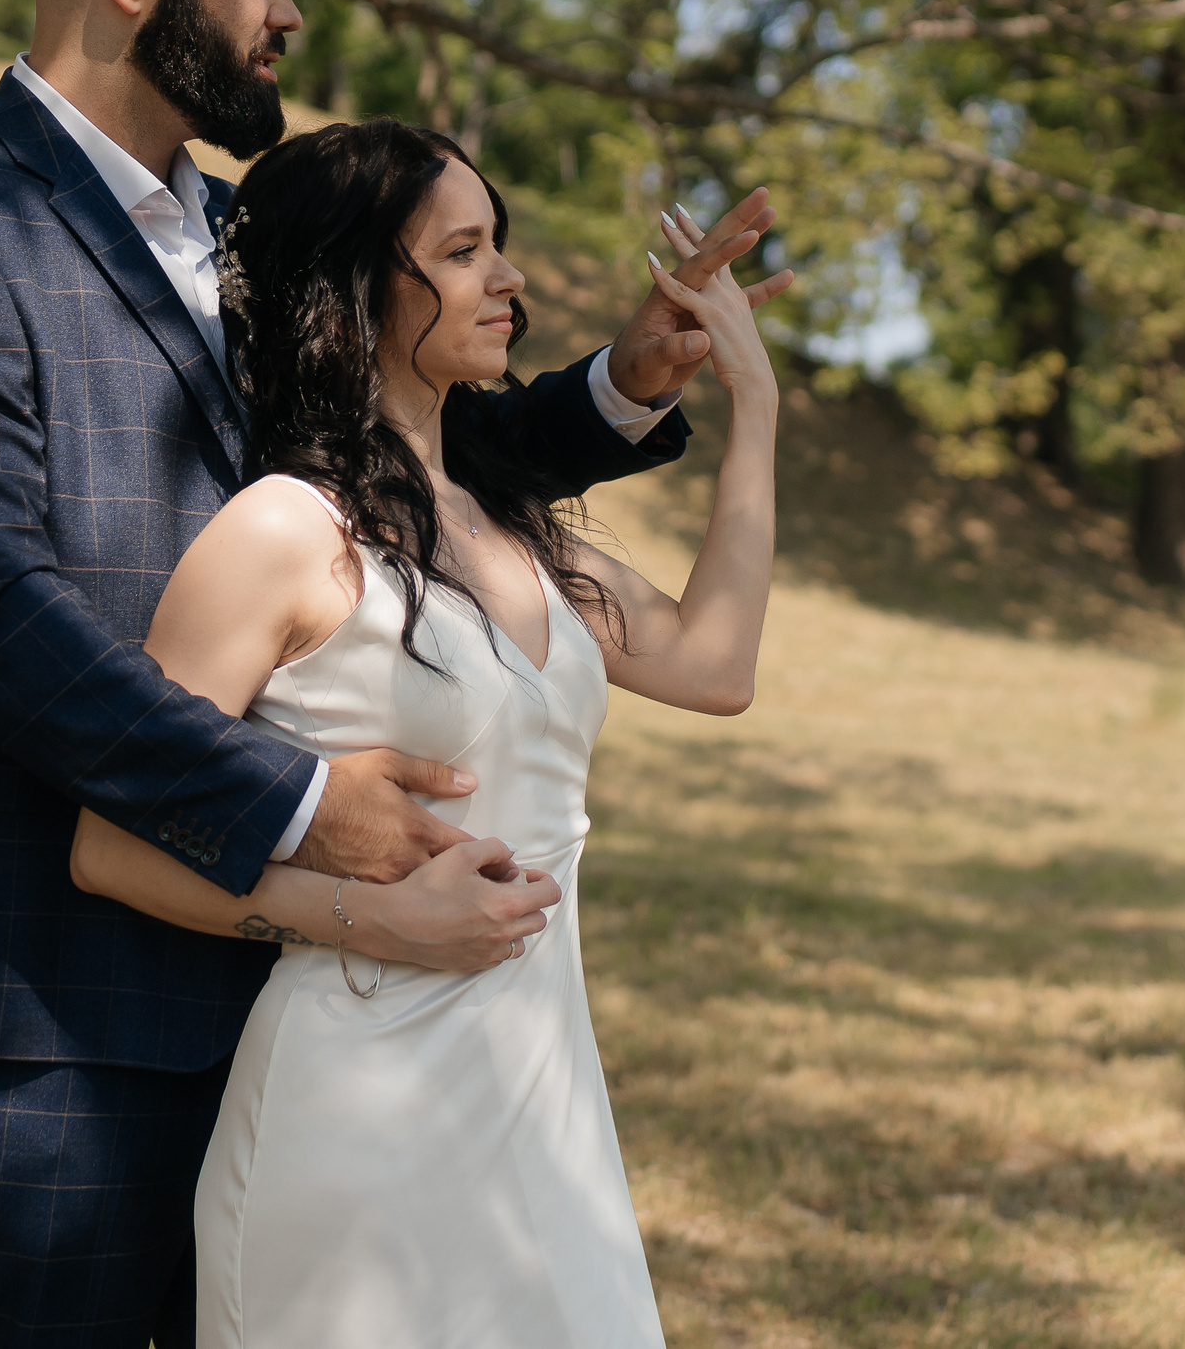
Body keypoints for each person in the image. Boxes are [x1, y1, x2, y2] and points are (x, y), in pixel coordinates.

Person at [0, 0, 787, 1347]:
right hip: (44, 1003)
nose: (289, 14)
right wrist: (293, 802)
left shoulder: (236, 241)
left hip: (285, 1002)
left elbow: (379, 454)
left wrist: (616, 385)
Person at [65, 118, 786, 1346]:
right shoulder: (282, 533)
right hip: (358, 1107)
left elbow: (716, 668)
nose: (509, 278)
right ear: (353, 297)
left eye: (496, 245)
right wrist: (365, 914)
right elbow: (113, 846)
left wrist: (753, 401)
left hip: (545, 1101)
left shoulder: (511, 526)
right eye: (461, 252)